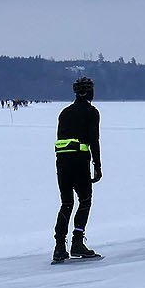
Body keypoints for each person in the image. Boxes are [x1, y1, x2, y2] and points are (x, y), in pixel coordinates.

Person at [52, 76, 103, 263]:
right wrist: (97, 166)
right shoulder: (91, 112)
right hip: (80, 162)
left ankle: (59, 247)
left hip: (62, 163)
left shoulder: (64, 113)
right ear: (90, 92)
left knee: (66, 203)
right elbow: (93, 140)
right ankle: (77, 242)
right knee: (85, 200)